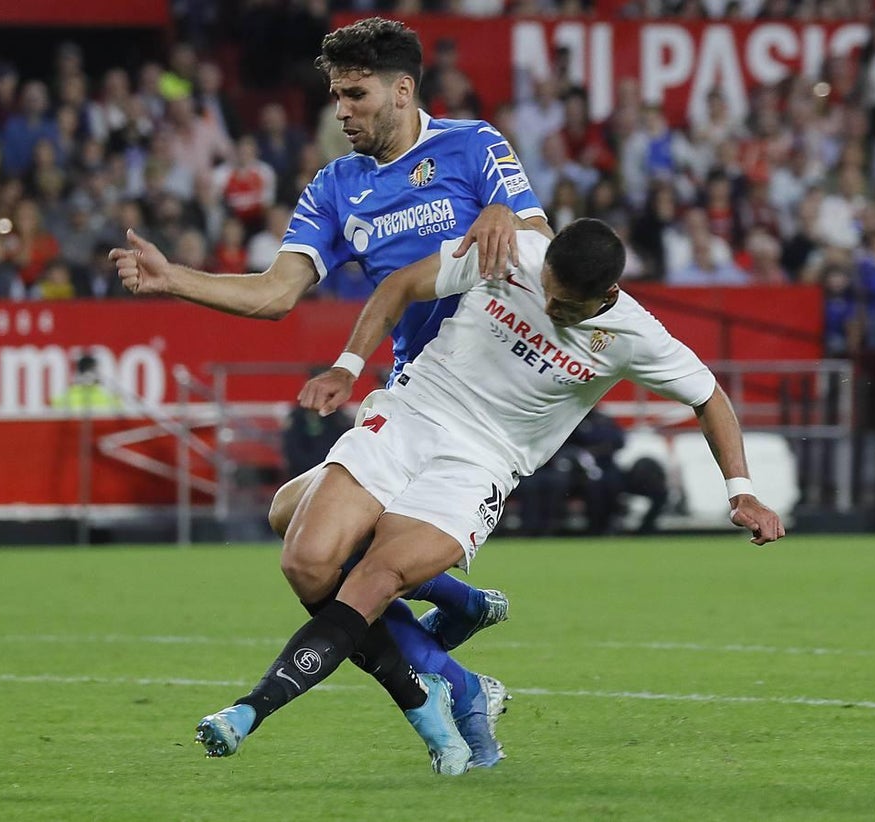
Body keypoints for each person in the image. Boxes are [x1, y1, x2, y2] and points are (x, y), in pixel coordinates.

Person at [112, 16, 552, 769]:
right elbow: (277, 293)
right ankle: (458, 637)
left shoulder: (473, 145)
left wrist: (510, 210)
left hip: (483, 404)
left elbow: (540, 241)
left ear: (403, 89)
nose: (340, 110)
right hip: (412, 392)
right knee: (301, 532)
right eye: (334, 95)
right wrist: (173, 279)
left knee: (326, 543)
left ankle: (452, 638)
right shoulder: (336, 184)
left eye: (355, 94)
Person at [193, 218, 785, 772]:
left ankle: (253, 710)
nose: (550, 307)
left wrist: (743, 492)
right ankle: (458, 618)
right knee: (303, 554)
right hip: (414, 412)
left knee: (372, 580)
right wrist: (349, 366)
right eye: (546, 291)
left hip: (481, 465)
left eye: (567, 307)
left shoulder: (634, 334)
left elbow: (709, 397)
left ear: (606, 297)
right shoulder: (512, 252)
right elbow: (402, 284)